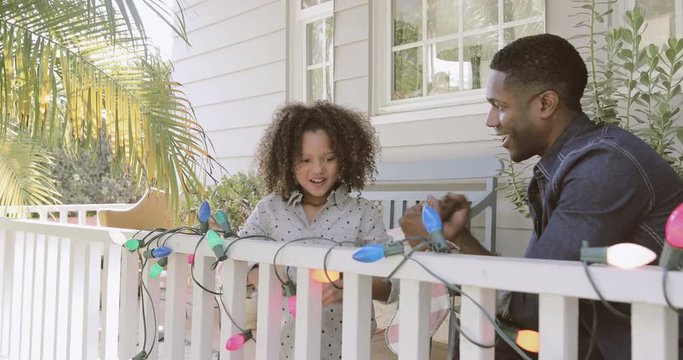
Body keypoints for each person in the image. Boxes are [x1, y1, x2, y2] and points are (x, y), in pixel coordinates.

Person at [399, 33, 683, 359]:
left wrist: (434, 247)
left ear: (546, 104)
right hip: (589, 340)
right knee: (485, 338)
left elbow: (534, 300)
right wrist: (457, 239)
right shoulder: (571, 162)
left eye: (499, 106)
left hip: (645, 348)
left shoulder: (603, 166)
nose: (490, 120)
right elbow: (533, 284)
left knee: (488, 341)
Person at [239, 101, 395, 360]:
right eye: (305, 160)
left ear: (344, 158)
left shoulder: (362, 213)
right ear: (287, 161)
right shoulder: (270, 210)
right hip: (282, 347)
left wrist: (355, 286)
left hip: (345, 347)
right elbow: (238, 261)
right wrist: (266, 277)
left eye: (328, 158)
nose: (318, 169)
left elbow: (391, 283)